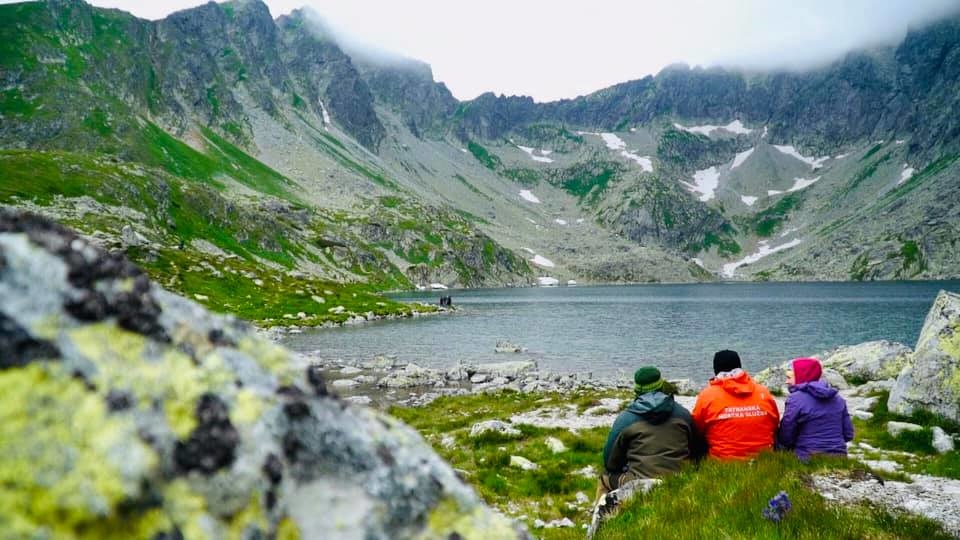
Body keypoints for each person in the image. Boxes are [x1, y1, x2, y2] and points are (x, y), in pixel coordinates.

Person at [599, 366, 701, 495]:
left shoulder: (625, 419)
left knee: (604, 479)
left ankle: (602, 512)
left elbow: (610, 463)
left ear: (637, 390)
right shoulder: (683, 415)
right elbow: (696, 451)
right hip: (677, 480)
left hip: (639, 483)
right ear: (661, 385)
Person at [692, 350, 780, 460]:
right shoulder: (763, 392)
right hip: (763, 462)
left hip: (723, 465)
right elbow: (775, 423)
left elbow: (696, 428)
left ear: (716, 370)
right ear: (740, 367)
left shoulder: (707, 395)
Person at [778, 357, 854, 460]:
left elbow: (786, 436)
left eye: (789, 377)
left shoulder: (796, 399)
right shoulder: (838, 399)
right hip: (839, 457)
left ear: (801, 375)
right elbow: (848, 434)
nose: (787, 382)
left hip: (807, 457)